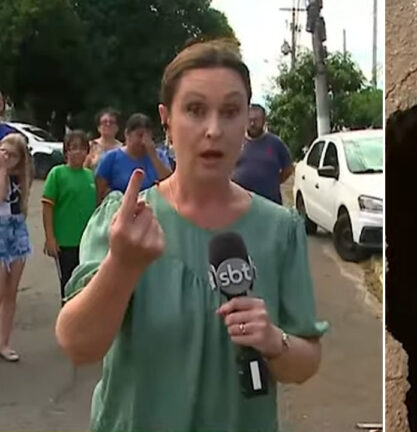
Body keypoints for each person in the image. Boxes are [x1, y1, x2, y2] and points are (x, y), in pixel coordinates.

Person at [55, 39, 327, 431]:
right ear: (166, 118)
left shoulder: (280, 229)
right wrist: (122, 265)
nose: (214, 130)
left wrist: (273, 340)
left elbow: (306, 361)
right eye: (195, 110)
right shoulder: (126, 220)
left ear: (245, 120)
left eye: (230, 111)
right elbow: (78, 346)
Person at [41, 130, 97, 305]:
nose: (78, 152)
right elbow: (47, 207)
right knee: (68, 285)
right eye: (73, 148)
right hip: (65, 241)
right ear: (66, 152)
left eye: (82, 148)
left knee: (87, 284)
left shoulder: (90, 176)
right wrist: (50, 238)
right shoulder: (57, 174)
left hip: (87, 242)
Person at [0, 133, 33, 362]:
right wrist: (2, 170)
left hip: (17, 231)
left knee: (11, 293)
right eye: (3, 151)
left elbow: (22, 206)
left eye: (12, 155)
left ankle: (4, 342)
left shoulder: (22, 177)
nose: (6, 157)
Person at [95, 113, 172, 203]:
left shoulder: (159, 156)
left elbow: (169, 183)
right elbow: (99, 192)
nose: (144, 141)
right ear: (127, 134)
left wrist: (153, 156)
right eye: (139, 136)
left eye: (148, 137)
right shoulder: (111, 158)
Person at [232, 104, 294, 205]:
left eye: (256, 120)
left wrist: (273, 182)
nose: (252, 123)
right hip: (241, 206)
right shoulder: (235, 142)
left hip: (270, 204)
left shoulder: (275, 143)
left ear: (264, 121)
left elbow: (288, 169)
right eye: (249, 120)